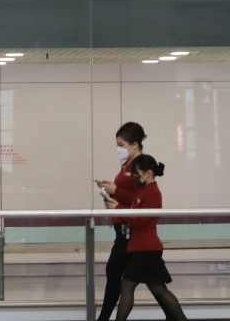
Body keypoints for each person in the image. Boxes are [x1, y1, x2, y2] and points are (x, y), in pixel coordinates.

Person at [105, 154, 189, 321]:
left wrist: (119, 209)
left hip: (145, 249)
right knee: (158, 288)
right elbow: (135, 215)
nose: (136, 177)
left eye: (138, 173)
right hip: (144, 248)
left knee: (127, 286)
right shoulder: (144, 191)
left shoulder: (152, 193)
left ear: (148, 173)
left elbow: (141, 220)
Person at [93, 121, 147, 321]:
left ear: (134, 144)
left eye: (121, 144)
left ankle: (103, 318)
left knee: (116, 273)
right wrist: (109, 192)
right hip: (122, 228)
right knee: (127, 280)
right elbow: (127, 194)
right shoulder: (127, 165)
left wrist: (117, 193)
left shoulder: (141, 165)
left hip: (130, 231)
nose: (118, 149)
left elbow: (142, 197)